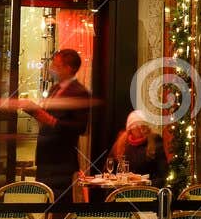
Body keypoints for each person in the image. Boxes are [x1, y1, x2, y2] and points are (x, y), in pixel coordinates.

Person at [23, 49, 90, 196]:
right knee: (44, 202)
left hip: (61, 161)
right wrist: (34, 111)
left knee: (59, 205)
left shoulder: (79, 92)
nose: (52, 69)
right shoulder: (54, 88)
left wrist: (52, 121)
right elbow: (47, 117)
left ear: (69, 68)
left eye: (56, 66)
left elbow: (81, 127)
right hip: (44, 159)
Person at [105, 110, 168, 184]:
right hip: (122, 190)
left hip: (146, 191)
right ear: (130, 129)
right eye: (138, 127)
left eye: (144, 126)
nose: (142, 130)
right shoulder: (121, 144)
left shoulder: (155, 142)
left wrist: (143, 181)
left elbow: (163, 176)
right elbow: (109, 170)